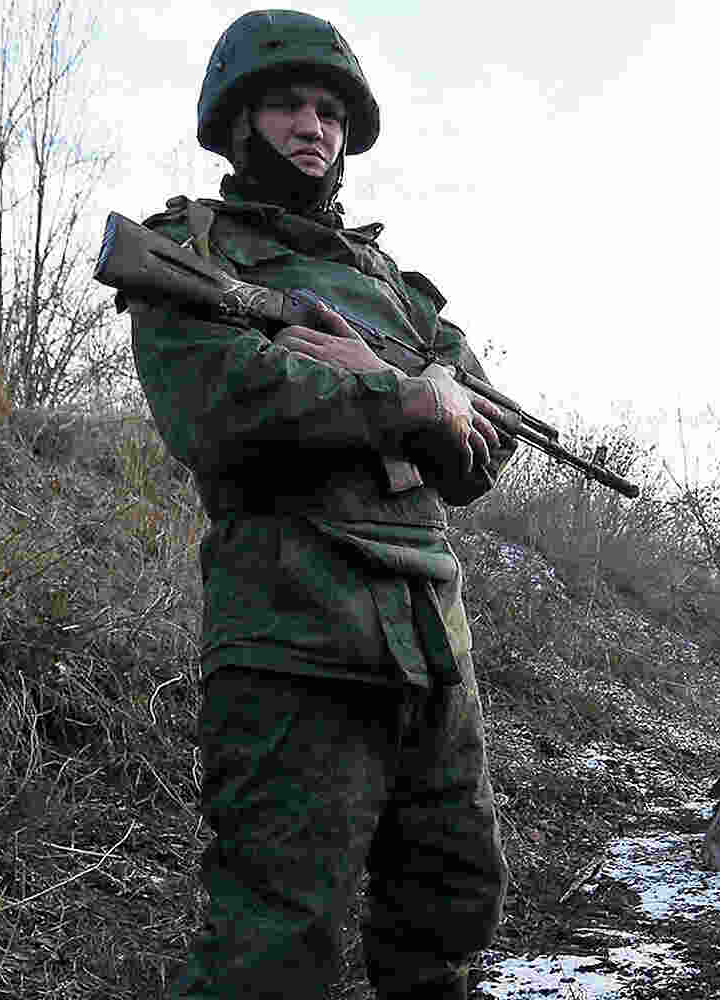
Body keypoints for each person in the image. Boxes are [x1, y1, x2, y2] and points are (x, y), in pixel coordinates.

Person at [122, 11, 514, 998]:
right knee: (273, 939)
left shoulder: (399, 291)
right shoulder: (192, 251)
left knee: (450, 904)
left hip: (432, 638)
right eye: (289, 105)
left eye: (331, 112)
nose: (314, 127)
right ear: (238, 121)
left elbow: (482, 452)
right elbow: (216, 405)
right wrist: (404, 398)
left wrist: (405, 383)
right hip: (291, 634)